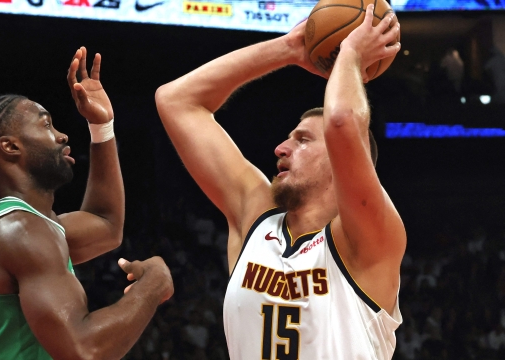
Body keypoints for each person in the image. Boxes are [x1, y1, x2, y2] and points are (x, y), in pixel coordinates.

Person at [155, 5, 403, 359]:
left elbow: (342, 121)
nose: (281, 148)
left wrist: (349, 54)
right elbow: (176, 101)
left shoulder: (369, 237)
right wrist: (289, 48)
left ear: (341, 160)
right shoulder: (256, 219)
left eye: (302, 140)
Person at [0, 47, 173, 360]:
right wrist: (153, 284)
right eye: (46, 125)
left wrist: (102, 128)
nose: (61, 136)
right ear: (11, 146)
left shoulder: (36, 228)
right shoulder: (21, 231)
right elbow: (85, 350)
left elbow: (107, 224)